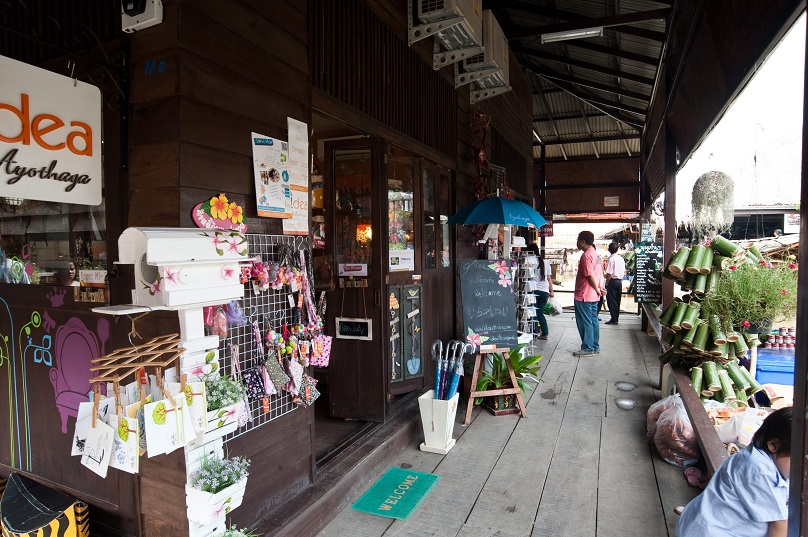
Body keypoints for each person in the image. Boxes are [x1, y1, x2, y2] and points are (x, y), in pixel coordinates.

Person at [676, 406, 791, 536]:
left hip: (704, 523)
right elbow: (780, 524)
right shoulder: (760, 471)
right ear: (774, 445)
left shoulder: (762, 457)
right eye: (799, 462)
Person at [573, 231, 605, 356]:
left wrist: (597, 288)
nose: (577, 242)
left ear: (582, 241)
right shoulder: (596, 255)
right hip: (593, 296)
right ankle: (595, 346)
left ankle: (587, 348)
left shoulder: (586, 256)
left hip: (584, 295)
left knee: (585, 321)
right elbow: (600, 274)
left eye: (578, 239)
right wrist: (600, 288)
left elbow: (590, 275)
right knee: (593, 320)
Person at [525, 243, 553, 340]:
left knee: (534, 312)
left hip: (534, 290)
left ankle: (534, 333)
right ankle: (545, 333)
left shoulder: (530, 261)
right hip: (545, 291)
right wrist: (551, 291)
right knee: (540, 313)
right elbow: (549, 278)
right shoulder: (546, 262)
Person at [604, 243, 626, 324]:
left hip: (612, 281)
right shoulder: (621, 258)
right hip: (619, 281)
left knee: (611, 300)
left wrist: (607, 282)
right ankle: (616, 317)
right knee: (617, 300)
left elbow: (609, 272)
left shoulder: (611, 259)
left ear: (609, 250)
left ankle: (614, 318)